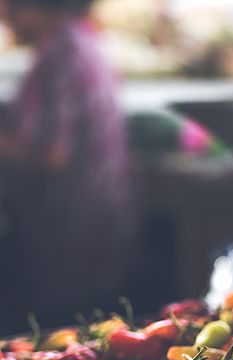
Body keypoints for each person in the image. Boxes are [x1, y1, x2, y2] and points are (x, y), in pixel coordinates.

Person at [0, 0, 134, 333]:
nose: (4, 17)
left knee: (61, 337)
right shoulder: (80, 41)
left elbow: (53, 155)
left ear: (31, 7)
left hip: (70, 222)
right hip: (94, 214)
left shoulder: (60, 56)